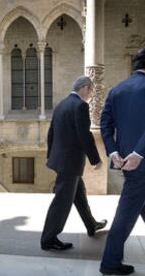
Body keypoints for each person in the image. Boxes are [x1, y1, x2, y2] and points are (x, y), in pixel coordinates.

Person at [99, 48, 145, 275]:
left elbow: (105, 124)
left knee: (143, 200)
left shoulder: (116, 90)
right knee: (127, 210)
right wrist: (140, 154)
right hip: (141, 160)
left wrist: (113, 152)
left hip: (123, 159)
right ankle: (110, 262)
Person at [41, 76, 108, 251]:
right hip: (69, 163)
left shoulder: (61, 104)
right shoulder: (80, 106)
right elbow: (84, 136)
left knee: (79, 195)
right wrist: (95, 159)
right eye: (91, 90)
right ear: (85, 88)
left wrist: (50, 156)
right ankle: (48, 239)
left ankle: (91, 225)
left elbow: (51, 133)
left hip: (62, 161)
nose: (91, 93)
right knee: (62, 202)